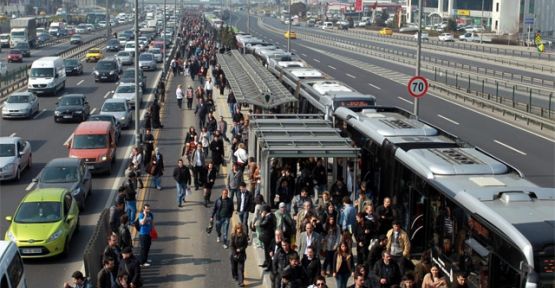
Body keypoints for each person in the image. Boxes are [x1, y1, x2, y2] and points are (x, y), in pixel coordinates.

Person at [259, 204, 277, 269]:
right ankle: (266, 262)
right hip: (268, 236)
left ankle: (269, 265)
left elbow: (261, 224)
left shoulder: (268, 217)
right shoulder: (271, 216)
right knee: (266, 251)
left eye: (262, 211)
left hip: (268, 237)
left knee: (268, 251)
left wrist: (262, 217)